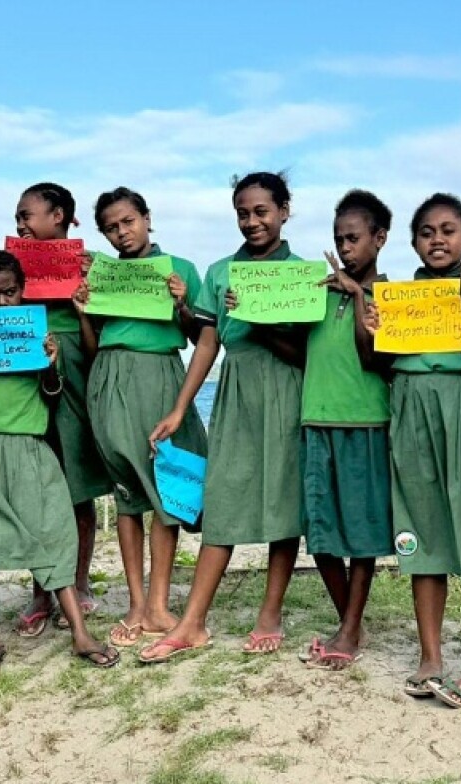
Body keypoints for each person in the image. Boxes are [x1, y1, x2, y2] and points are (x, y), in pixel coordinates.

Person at [140, 172, 306, 663]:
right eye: (243, 213)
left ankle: (270, 614)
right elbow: (207, 344)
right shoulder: (219, 273)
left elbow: (304, 351)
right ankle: (192, 622)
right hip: (237, 389)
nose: (252, 221)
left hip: (289, 389)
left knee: (283, 499)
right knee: (223, 497)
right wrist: (179, 408)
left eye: (262, 211)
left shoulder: (302, 274)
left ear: (284, 212)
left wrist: (259, 315)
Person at [0, 250, 118, 681]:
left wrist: (51, 362)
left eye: (9, 292)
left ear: (23, 290)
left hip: (30, 442)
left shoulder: (36, 334)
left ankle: (80, 633)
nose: (1, 302)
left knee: (55, 531)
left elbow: (52, 395)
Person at [366, 194, 461, 704]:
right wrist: (373, 332)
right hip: (410, 402)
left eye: (448, 230)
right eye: (426, 232)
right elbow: (380, 363)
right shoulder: (401, 297)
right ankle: (430, 656)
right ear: (413, 242)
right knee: (419, 527)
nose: (437, 239)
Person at [74, 187, 208, 648]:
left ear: (147, 218)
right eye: (111, 228)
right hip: (110, 376)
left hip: (162, 376)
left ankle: (158, 603)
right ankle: (136, 603)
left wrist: (182, 303)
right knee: (127, 493)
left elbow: (199, 336)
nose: (122, 233)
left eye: (128, 221)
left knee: (165, 488)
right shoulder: (103, 275)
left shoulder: (180, 269)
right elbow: (92, 347)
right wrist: (83, 311)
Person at [299, 189, 396, 670]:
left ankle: (350, 628)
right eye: (339, 239)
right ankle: (349, 622)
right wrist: (254, 310)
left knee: (361, 532)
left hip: (365, 421)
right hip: (315, 417)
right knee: (318, 529)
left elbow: (374, 357)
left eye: (354, 238)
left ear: (380, 238)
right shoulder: (318, 292)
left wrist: (358, 294)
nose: (345, 247)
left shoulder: (392, 297)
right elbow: (296, 348)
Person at [12, 182, 113, 637]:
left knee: (78, 483)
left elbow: (108, 322)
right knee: (36, 484)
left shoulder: (90, 264)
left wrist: (93, 282)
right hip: (27, 367)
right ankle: (41, 590)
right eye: (17, 217)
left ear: (58, 216)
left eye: (26, 215)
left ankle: (79, 580)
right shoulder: (13, 263)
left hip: (76, 366)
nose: (21, 224)